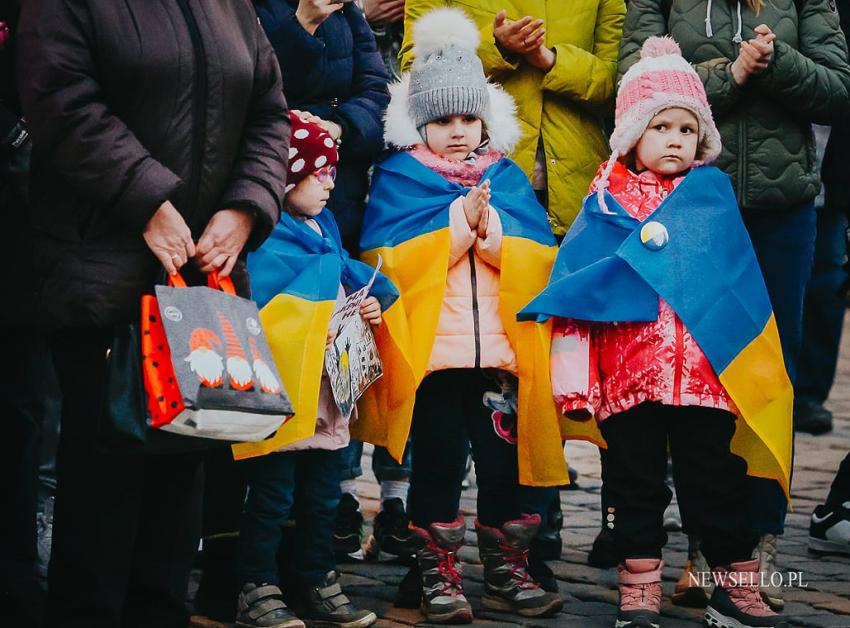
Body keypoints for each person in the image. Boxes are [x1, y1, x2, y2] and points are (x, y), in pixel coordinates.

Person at [17, 2, 290, 626]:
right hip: (104, 278)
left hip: (199, 291)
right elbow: (60, 100)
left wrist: (246, 207)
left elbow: (270, 114)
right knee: (103, 501)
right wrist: (147, 198)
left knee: (178, 501)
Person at [522, 37, 793, 628]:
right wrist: (575, 383)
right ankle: (638, 591)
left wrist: (750, 370)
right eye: (661, 125)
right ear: (630, 135)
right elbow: (578, 298)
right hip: (627, 378)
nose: (675, 139)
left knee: (717, 483)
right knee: (632, 487)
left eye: (687, 129)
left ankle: (732, 587)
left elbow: (739, 288)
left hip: (704, 379)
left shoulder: (711, 200)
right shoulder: (604, 205)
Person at [618, 0, 850, 610]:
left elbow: (837, 91)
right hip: (681, 208)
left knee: (770, 375)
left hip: (781, 212)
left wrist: (777, 64)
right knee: (691, 377)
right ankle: (706, 546)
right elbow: (633, 88)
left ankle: (760, 542)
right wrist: (734, 75)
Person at [355, 9, 567, 623]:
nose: (457, 130)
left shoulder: (506, 176)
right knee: (439, 463)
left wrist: (493, 231)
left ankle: (507, 566)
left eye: (468, 117)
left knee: (506, 467)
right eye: (442, 119)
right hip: (437, 359)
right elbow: (385, 260)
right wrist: (455, 229)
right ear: (420, 121)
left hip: (498, 360)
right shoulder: (399, 177)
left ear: (486, 119)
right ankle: (436, 572)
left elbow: (536, 256)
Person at [231, 113, 389, 628]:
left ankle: (317, 579)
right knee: (272, 497)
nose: (329, 182)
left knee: (323, 495)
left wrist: (366, 307)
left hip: (328, 390)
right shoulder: (265, 237)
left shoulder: (325, 228)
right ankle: (258, 586)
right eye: (317, 171)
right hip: (284, 393)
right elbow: (269, 308)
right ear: (284, 172)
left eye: (332, 170)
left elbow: (344, 280)